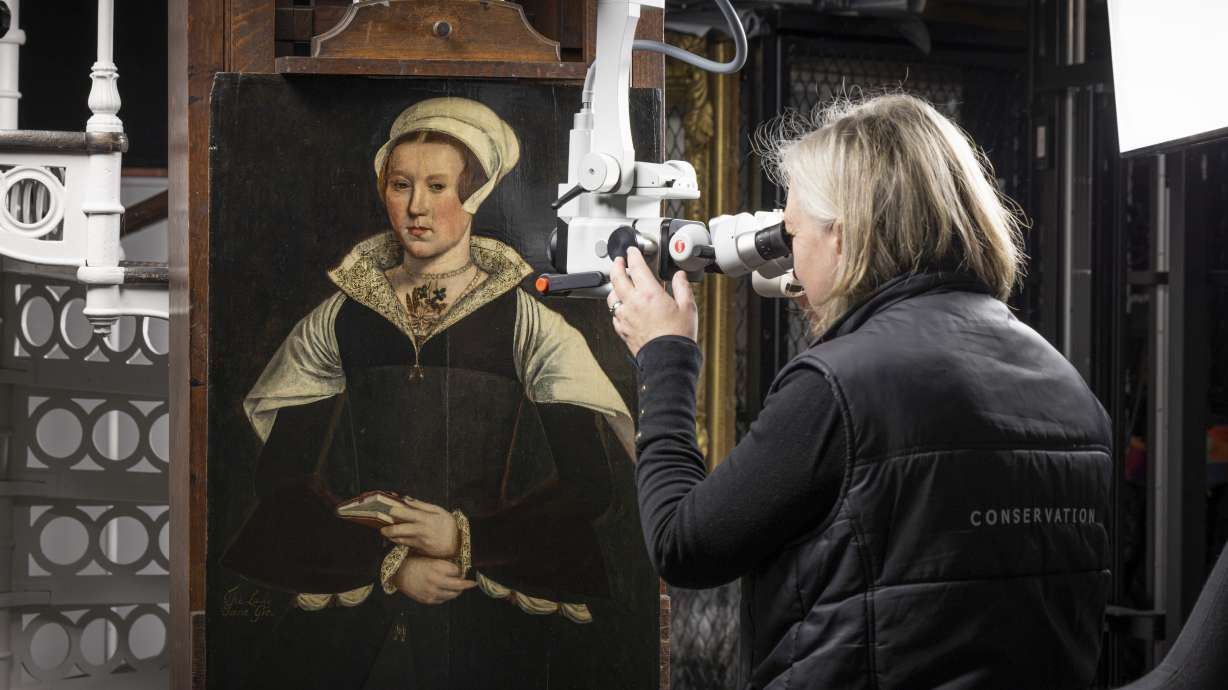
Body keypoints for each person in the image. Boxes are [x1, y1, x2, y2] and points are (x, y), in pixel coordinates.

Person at [608, 94, 1112, 689]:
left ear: (842, 239)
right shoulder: (1069, 386)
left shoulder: (838, 387)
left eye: (791, 234)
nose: (787, 256)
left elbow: (683, 545)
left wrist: (664, 356)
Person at [221, 97, 650, 689]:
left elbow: (588, 486)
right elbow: (282, 480)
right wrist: (390, 565)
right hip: (357, 587)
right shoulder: (339, 318)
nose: (416, 207)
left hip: (489, 591)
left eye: (438, 185)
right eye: (401, 185)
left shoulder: (529, 322)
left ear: (472, 195)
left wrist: (462, 539)